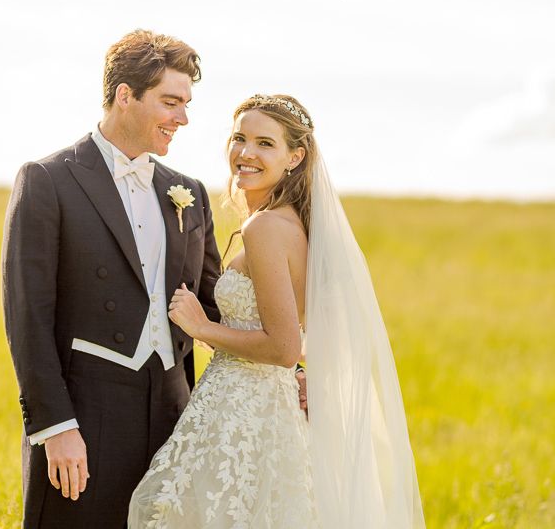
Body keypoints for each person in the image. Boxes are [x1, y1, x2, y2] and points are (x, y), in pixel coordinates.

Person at [128, 94, 426, 528]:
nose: (246, 153)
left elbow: (284, 347)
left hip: (246, 412)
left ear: (295, 156)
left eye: (265, 143)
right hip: (267, 405)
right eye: (239, 138)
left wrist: (202, 326)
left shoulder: (265, 227)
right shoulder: (292, 223)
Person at [1, 29, 222, 528]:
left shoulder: (188, 193)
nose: (182, 118)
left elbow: (220, 305)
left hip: (173, 417)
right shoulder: (48, 180)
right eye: (170, 102)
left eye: (186, 104)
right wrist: (55, 426)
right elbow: (27, 319)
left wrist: (288, 368)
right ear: (125, 96)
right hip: (85, 417)